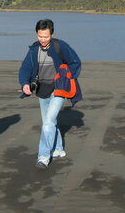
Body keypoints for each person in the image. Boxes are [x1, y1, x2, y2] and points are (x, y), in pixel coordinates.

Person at [19, 19, 82, 169]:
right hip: (42, 89)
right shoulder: (34, 50)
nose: (43, 39)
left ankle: (43, 156)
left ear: (52, 34)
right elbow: (25, 68)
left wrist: (66, 76)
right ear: (36, 34)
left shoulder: (60, 46)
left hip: (58, 88)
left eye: (46, 36)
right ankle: (59, 149)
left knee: (47, 123)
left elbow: (75, 63)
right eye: (40, 36)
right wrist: (25, 84)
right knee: (50, 122)